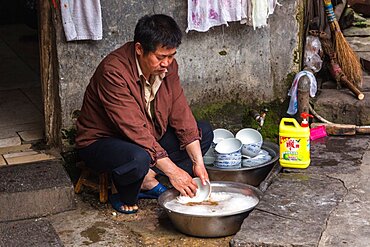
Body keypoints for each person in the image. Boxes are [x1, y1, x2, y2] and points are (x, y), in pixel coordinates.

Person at [75, 14, 213, 214]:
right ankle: (133, 186)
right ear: (139, 49)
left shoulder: (169, 68)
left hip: (146, 137)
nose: (167, 63)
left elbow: (181, 113)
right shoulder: (113, 71)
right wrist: (174, 172)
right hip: (103, 143)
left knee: (204, 132)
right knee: (138, 158)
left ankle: (145, 177)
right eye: (160, 57)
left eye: (171, 56)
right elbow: (134, 130)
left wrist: (197, 163)